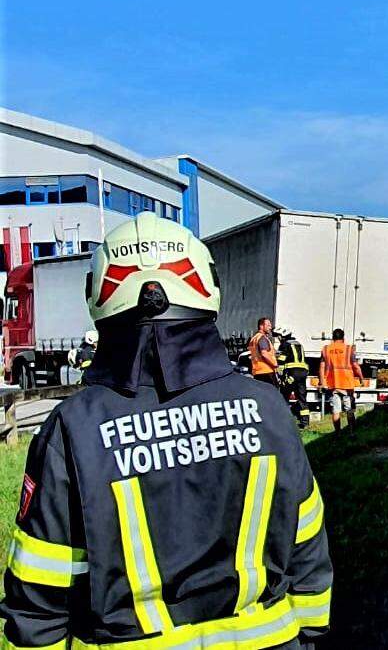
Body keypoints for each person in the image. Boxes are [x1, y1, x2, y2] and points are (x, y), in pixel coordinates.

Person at [0, 212, 332, 649]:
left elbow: (39, 598)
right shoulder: (268, 408)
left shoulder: (73, 428)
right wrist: (307, 635)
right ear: (206, 287)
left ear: (99, 296)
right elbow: (306, 547)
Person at [319, 328, 363, 432]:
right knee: (350, 410)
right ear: (343, 338)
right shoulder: (348, 349)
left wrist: (322, 382)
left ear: (333, 337)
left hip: (332, 384)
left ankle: (337, 433)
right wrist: (361, 377)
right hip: (347, 384)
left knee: (336, 410)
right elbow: (355, 366)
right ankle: (352, 432)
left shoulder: (326, 349)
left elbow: (321, 367)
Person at [277, 328, 311, 428]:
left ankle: (284, 420)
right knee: (302, 398)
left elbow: (281, 361)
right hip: (303, 373)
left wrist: (281, 377)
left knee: (284, 395)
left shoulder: (285, 344)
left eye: (279, 336)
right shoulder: (298, 344)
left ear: (282, 336)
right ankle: (305, 422)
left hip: (292, 374)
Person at [249, 316, 278, 385]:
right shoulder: (262, 338)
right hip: (267, 371)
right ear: (261, 326)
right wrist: (275, 364)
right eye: (268, 325)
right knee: (272, 393)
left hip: (257, 371)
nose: (270, 328)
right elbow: (264, 353)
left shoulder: (254, 338)